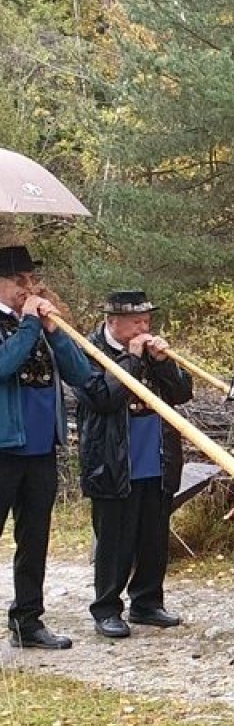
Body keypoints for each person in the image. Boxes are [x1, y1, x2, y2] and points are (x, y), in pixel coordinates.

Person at [74, 289, 194, 639]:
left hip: (157, 454)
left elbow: (182, 393)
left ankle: (147, 602)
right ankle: (107, 609)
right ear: (113, 322)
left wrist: (163, 362)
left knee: (153, 535)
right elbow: (102, 398)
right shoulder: (89, 351)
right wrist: (132, 358)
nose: (144, 328)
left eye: (147, 320)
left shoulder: (151, 353)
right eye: (137, 322)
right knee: (114, 539)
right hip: (112, 460)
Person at [0, 244, 97, 649]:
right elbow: (3, 366)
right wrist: (28, 324)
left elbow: (81, 374)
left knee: (34, 539)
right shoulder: (23, 324)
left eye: (31, 279)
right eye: (17, 280)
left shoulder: (38, 324)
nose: (28, 287)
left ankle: (27, 620)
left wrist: (55, 333)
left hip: (40, 449)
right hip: (2, 449)